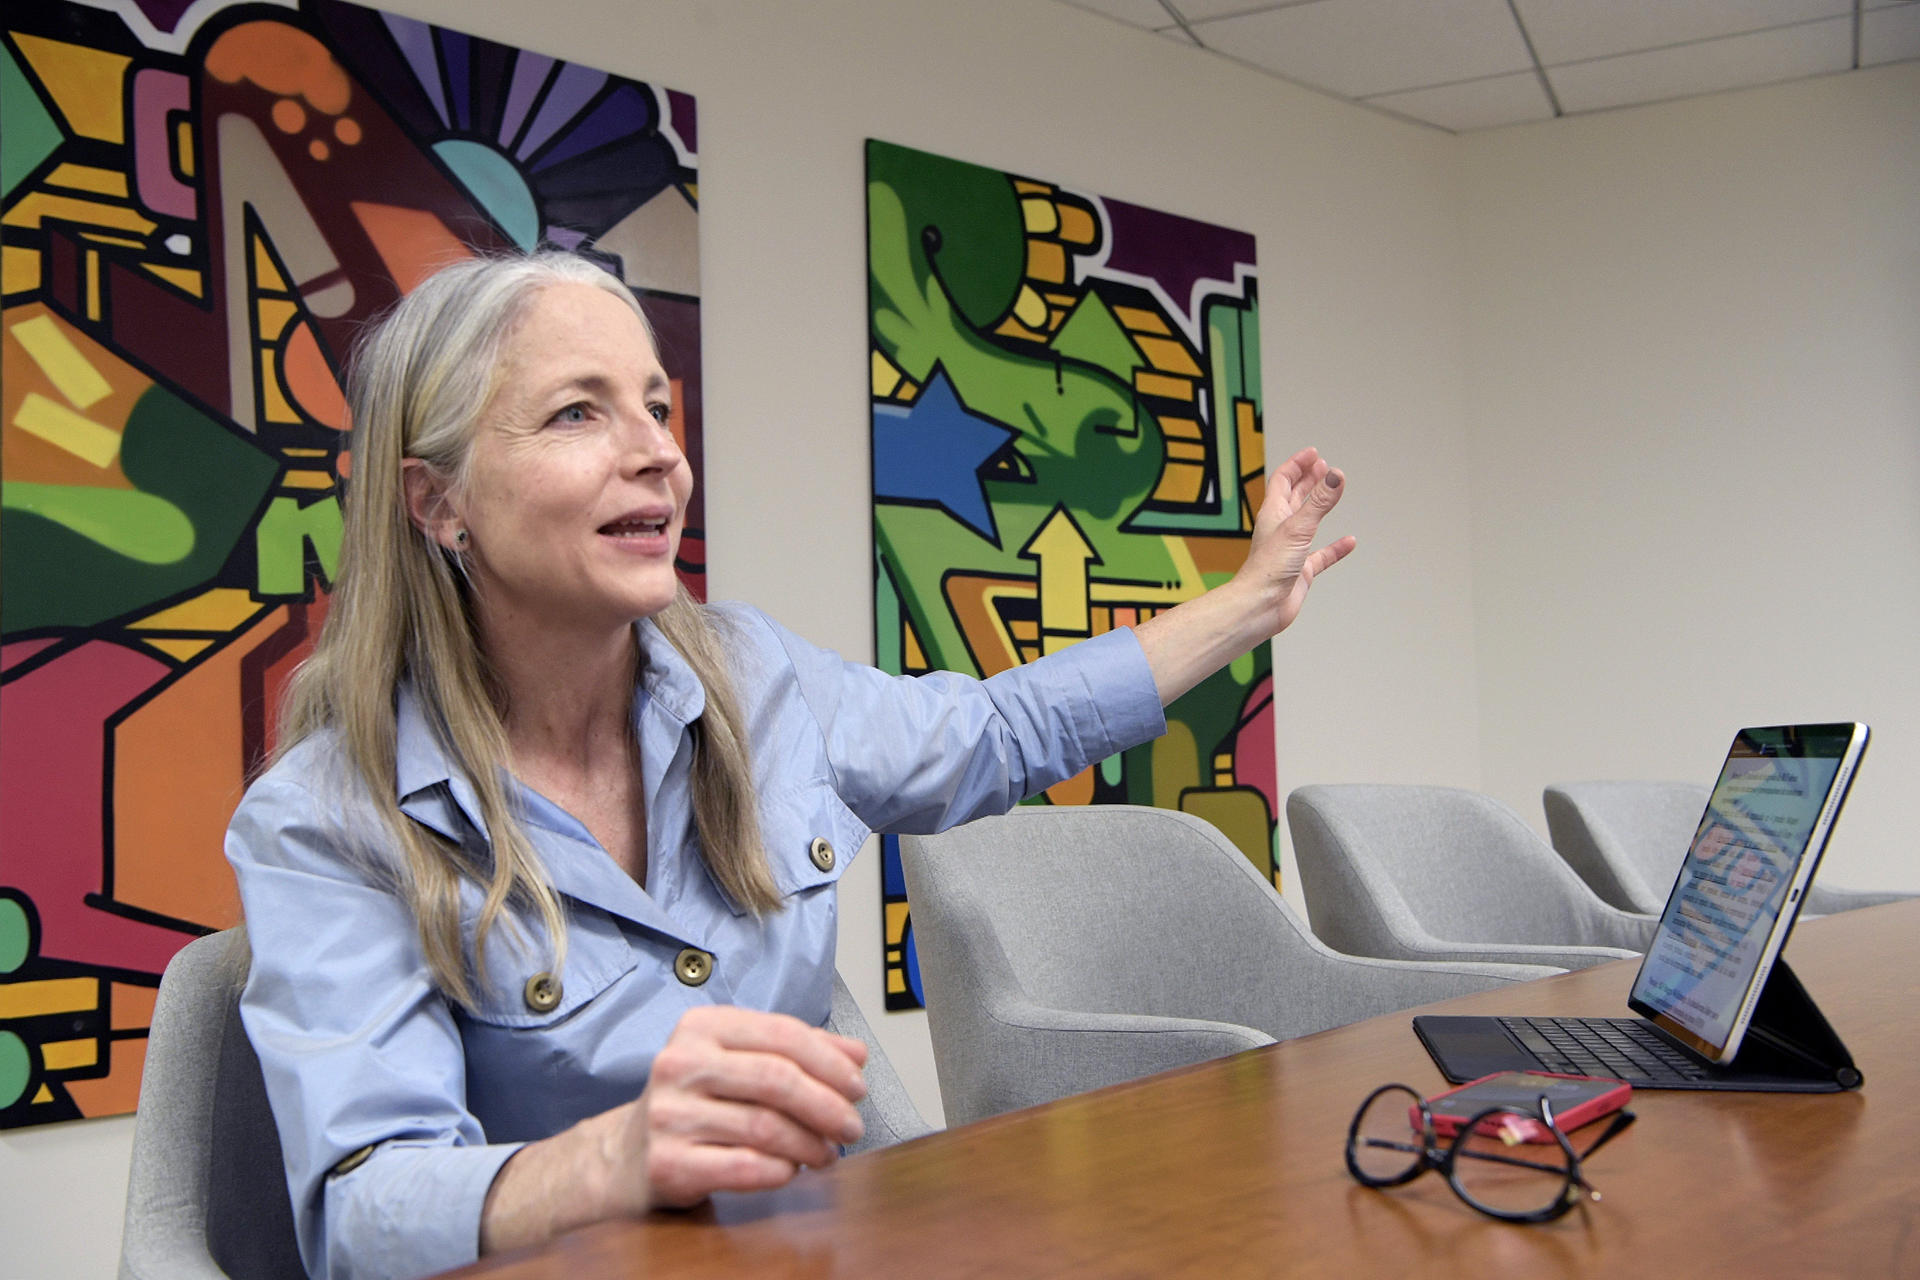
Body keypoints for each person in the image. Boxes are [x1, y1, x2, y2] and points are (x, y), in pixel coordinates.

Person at [227, 249, 1354, 1279]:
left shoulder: (757, 677)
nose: (659, 451)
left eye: (659, 407)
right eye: (580, 411)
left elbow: (999, 731)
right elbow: (359, 1208)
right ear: (439, 502)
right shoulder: (328, 819)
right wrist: (611, 1157)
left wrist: (1246, 606)